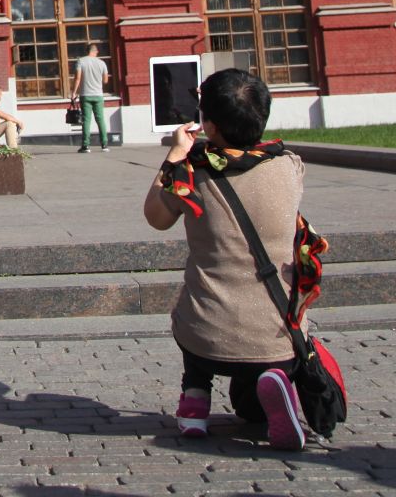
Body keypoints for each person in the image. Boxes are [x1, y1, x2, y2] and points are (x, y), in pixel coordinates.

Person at [142, 68, 309, 451]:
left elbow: (156, 216)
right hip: (276, 334)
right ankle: (278, 379)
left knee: (194, 307)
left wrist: (176, 154)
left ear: (210, 126)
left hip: (207, 335)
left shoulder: (193, 177)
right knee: (268, 349)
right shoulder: (291, 167)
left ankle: (195, 402)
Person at [73, 43, 111, 153]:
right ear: (96, 51)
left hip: (85, 95)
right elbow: (105, 81)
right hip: (98, 95)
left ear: (87, 51)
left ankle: (86, 146)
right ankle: (104, 144)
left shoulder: (81, 61)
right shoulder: (102, 63)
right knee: (100, 119)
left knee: (86, 120)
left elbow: (78, 78)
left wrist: (74, 92)